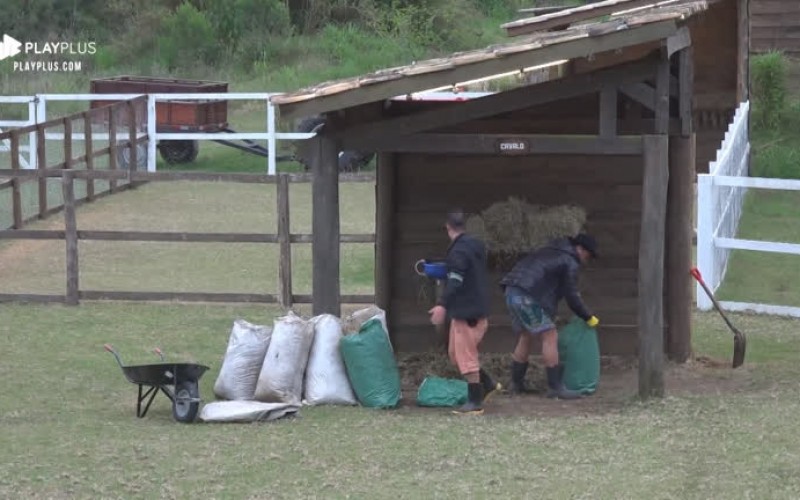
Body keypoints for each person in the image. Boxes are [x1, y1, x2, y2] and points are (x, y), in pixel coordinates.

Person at [499, 233, 600, 400]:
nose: (586, 260)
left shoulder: (551, 250)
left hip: (512, 291)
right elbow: (572, 296)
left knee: (526, 335)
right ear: (580, 249)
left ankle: (516, 384)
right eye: (588, 256)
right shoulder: (569, 260)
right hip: (526, 296)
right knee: (550, 335)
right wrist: (587, 316)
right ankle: (556, 388)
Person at [429, 210, 502, 415]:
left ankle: (474, 403)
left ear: (447, 227)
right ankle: (487, 384)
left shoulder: (459, 251)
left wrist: (442, 305)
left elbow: (456, 280)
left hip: (467, 312)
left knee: (466, 357)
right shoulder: (475, 245)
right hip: (472, 308)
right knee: (455, 355)